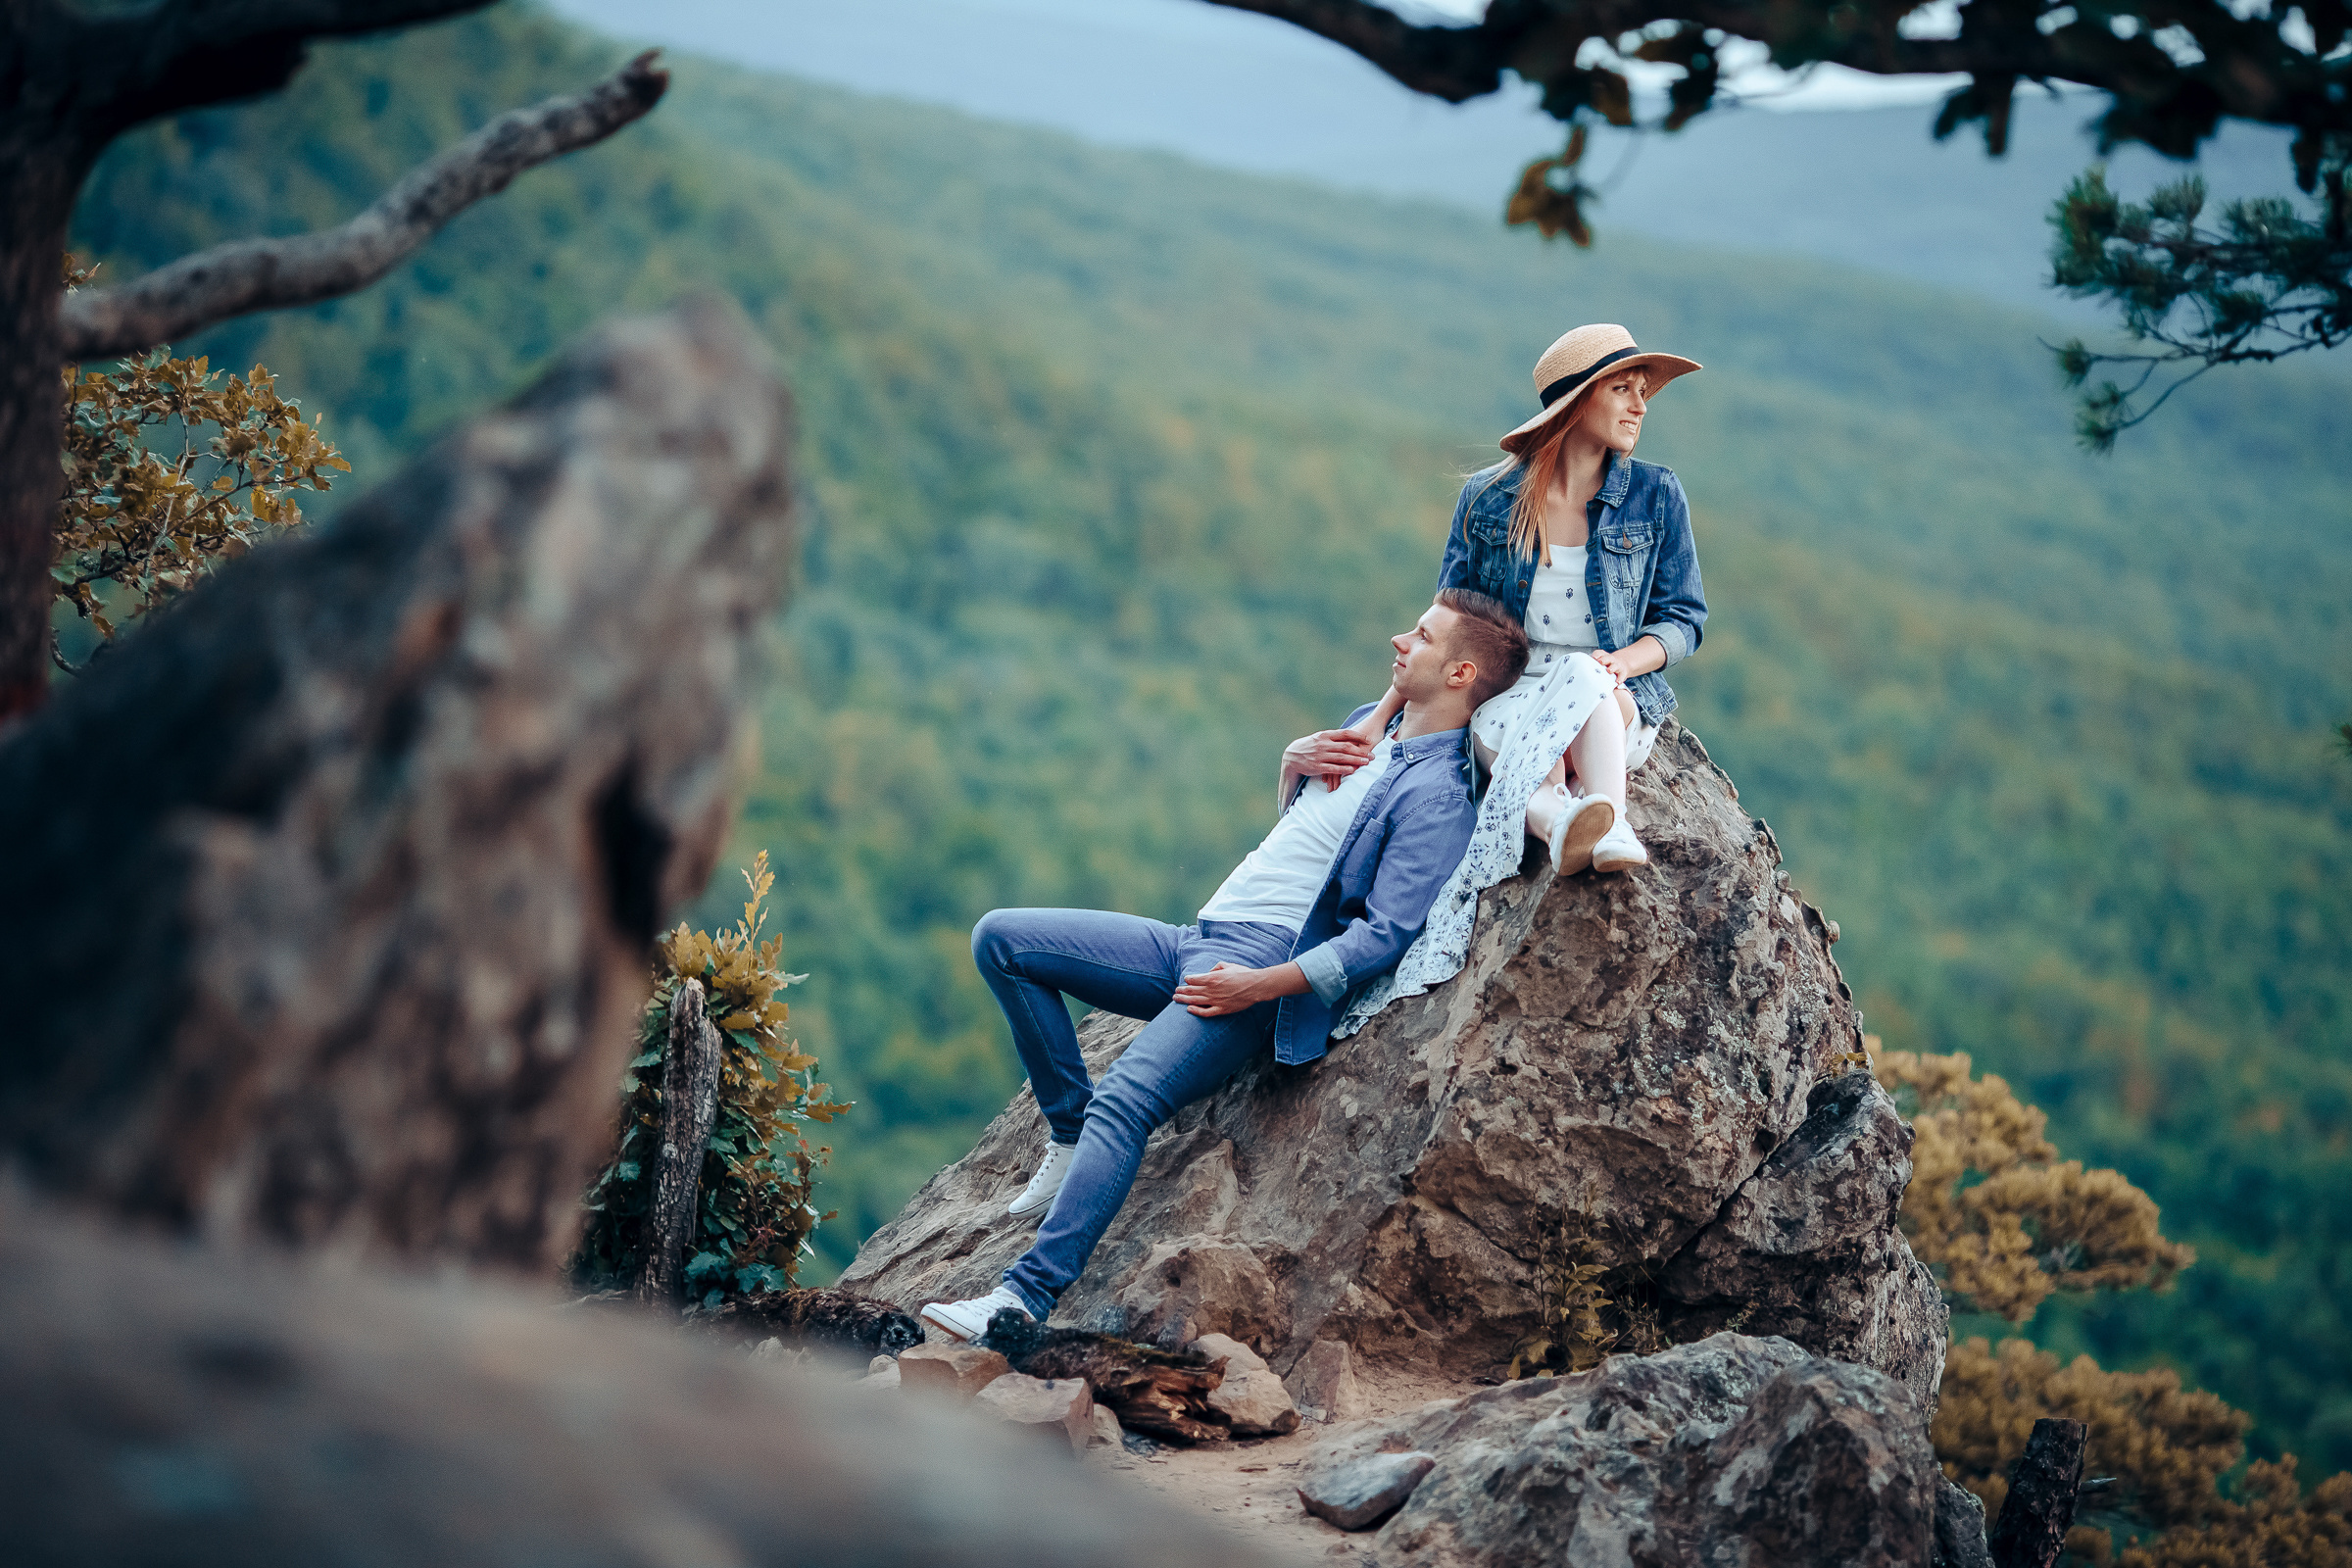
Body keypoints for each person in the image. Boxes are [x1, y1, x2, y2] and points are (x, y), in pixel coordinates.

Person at [917, 590, 1531, 1340]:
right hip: (1198, 938)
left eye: (1424, 637)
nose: (1400, 641)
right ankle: (1068, 1131)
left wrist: (1259, 987)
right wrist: (1288, 767)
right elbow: (1304, 835)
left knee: (1129, 1100)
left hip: (1259, 964)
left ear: (1463, 672)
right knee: (1002, 941)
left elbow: (1384, 935)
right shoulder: (1362, 731)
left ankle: (1021, 1299)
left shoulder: (1437, 796)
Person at [1340, 322, 1707, 878]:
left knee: (1587, 682)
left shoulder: (1655, 495)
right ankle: (1566, 826)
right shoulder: (1489, 499)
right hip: (1513, 690)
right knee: (1520, 757)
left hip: (1612, 692)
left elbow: (1684, 619)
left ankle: (1611, 821)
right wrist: (1382, 716)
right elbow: (1448, 625)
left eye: (1643, 391)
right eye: (1622, 389)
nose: (1641, 406)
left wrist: (1623, 663)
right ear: (1578, 402)